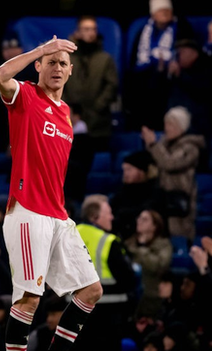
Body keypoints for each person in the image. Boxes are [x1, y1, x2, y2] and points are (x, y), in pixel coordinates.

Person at [0, 34, 103, 351]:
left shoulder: (66, 112)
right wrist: (41, 49)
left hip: (57, 214)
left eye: (62, 63)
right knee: (29, 299)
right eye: (50, 62)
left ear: (69, 72)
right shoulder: (26, 95)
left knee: (91, 290)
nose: (56, 68)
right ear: (39, 66)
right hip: (28, 211)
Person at [73, 194, 137, 351]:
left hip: (74, 311)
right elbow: (128, 279)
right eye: (108, 212)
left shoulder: (71, 236)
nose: (112, 217)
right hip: (107, 315)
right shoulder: (107, 241)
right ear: (95, 216)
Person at [123, 0, 195, 131]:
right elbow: (134, 63)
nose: (165, 12)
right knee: (137, 88)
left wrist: (176, 64)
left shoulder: (182, 28)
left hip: (172, 80)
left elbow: (190, 53)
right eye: (161, 10)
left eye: (167, 9)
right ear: (153, 14)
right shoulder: (143, 31)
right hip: (145, 79)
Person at [141, 106, 206, 241]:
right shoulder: (163, 145)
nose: (166, 128)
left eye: (170, 124)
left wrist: (153, 145)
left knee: (178, 239)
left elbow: (170, 163)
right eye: (165, 123)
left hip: (179, 202)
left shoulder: (191, 147)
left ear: (181, 127)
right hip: (162, 199)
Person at [62, 15, 119, 154]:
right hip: (70, 123)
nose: (91, 33)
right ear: (78, 32)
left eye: (93, 29)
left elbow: (112, 86)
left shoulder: (105, 59)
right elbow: (58, 83)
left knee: (98, 164)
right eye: (86, 29)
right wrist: (68, 109)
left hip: (99, 125)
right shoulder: (66, 57)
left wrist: (98, 106)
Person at [124, 209, 172, 319]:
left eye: (144, 219)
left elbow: (159, 266)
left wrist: (141, 249)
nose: (139, 221)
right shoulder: (128, 243)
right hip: (130, 296)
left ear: (154, 226)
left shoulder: (164, 245)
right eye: (139, 218)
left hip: (152, 298)